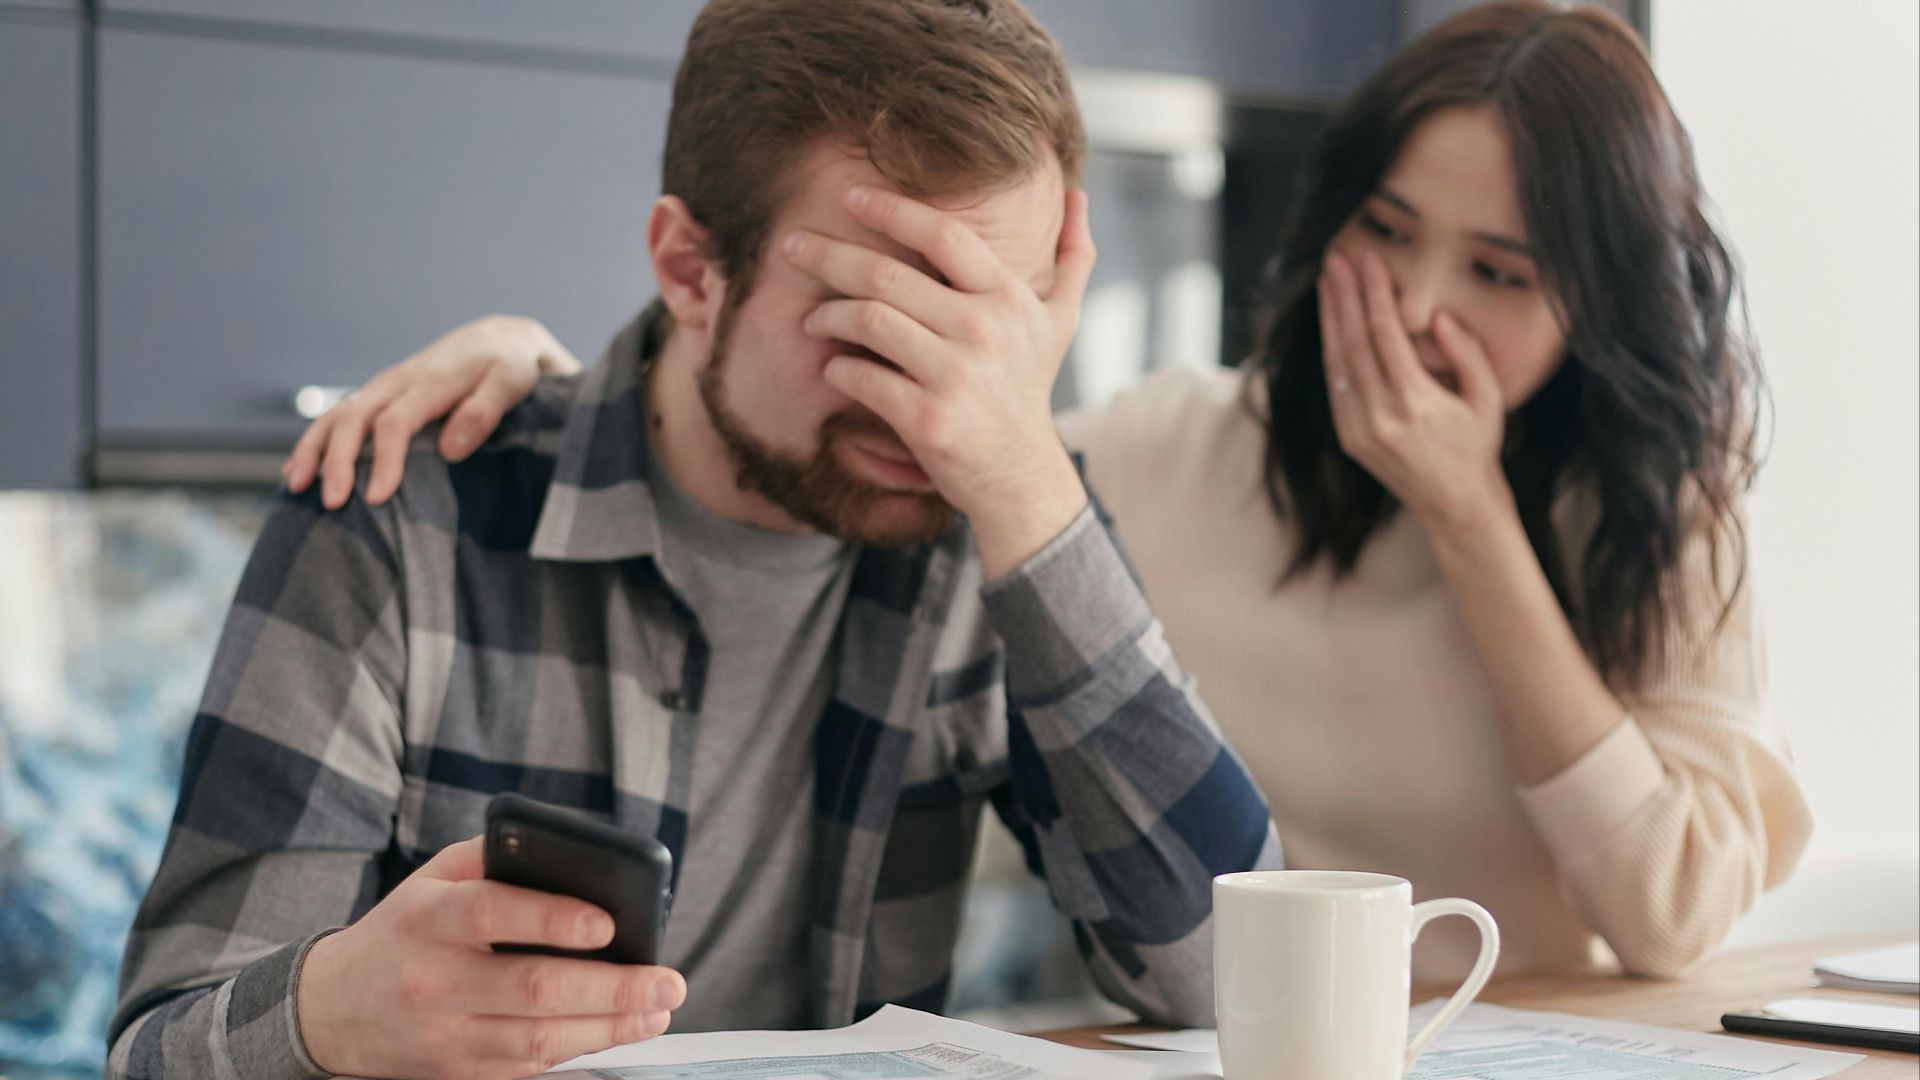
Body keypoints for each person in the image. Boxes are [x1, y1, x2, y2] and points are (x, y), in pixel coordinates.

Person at [299, 0, 1811, 988]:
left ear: (1591, 305)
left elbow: (1670, 914)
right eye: (1388, 233)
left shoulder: (1661, 513)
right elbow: (808, 414)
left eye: (1496, 274)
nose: (1417, 312)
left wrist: (1471, 516)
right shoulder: (1162, 449)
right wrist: (547, 372)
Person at [109, 2, 1283, 1078]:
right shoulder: (401, 518)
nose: (939, 401)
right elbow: (156, 1052)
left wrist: (1027, 482)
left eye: (988, 323)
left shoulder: (1006, 514)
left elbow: (1240, 985)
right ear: (689, 268)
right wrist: (331, 1014)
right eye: (879, 320)